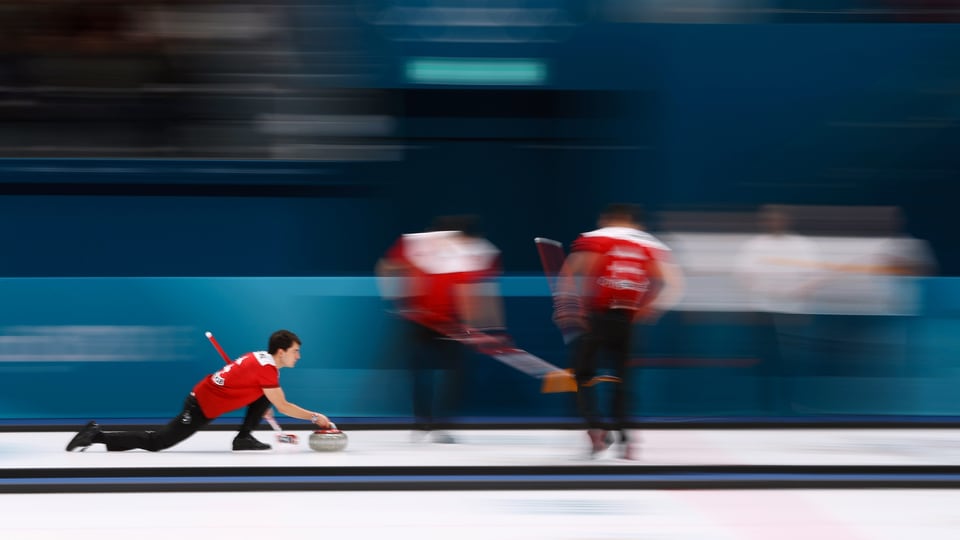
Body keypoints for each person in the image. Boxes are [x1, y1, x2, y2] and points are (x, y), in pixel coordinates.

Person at [553, 203, 683, 460]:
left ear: (609, 218)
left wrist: (566, 308)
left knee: (583, 374)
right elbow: (675, 285)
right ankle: (626, 437)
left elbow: (571, 273)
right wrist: (651, 309)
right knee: (623, 379)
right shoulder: (650, 244)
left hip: (596, 317)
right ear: (637, 222)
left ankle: (595, 427)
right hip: (629, 320)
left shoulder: (595, 238)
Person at [65, 329, 332, 452]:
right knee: (158, 442)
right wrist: (314, 417)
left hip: (210, 397)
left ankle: (243, 438)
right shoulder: (267, 370)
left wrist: (262, 402)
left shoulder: (261, 358)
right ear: (282, 352)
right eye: (296, 351)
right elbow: (284, 406)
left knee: (263, 394)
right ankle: (96, 435)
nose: (298, 356)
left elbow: (264, 392)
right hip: (200, 405)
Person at [376, 214, 506, 444]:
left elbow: (385, 266)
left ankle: (426, 424)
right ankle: (435, 425)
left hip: (429, 320)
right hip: (438, 323)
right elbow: (471, 295)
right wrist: (485, 329)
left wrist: (395, 299)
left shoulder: (414, 243)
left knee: (427, 373)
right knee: (447, 374)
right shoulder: (472, 252)